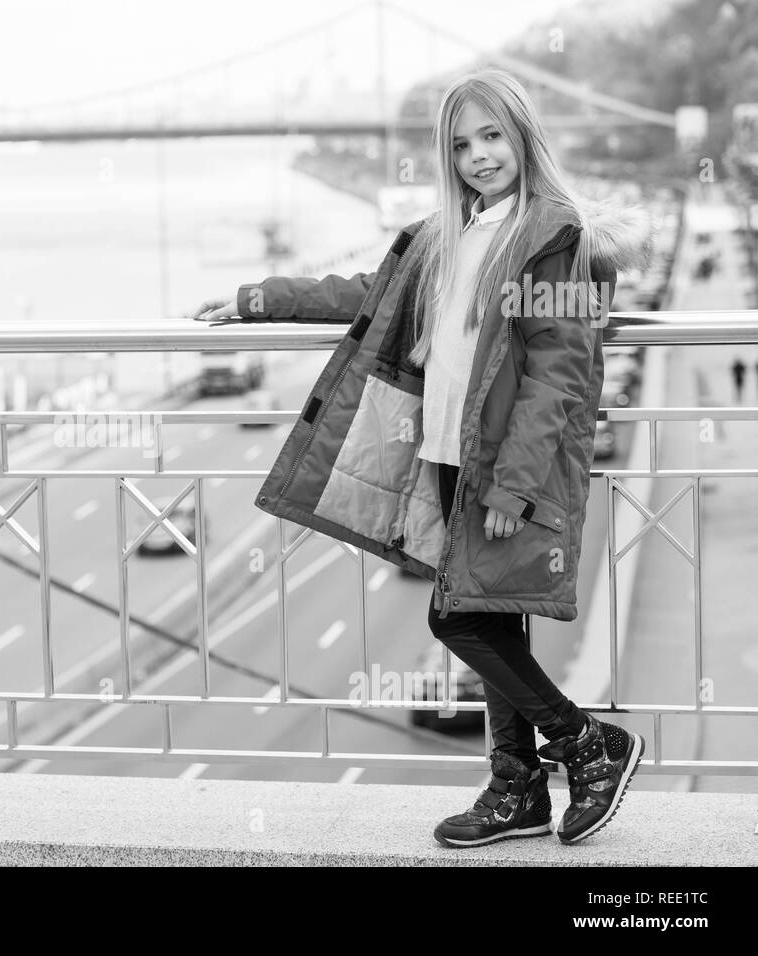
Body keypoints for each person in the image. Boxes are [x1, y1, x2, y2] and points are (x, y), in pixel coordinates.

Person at [192, 68, 654, 846]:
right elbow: (371, 294)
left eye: (492, 136)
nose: (479, 155)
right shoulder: (448, 232)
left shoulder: (556, 238)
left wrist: (512, 487)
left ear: (523, 137)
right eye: (461, 143)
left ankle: (587, 743)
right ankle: (517, 792)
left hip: (503, 469)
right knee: (490, 617)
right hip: (444, 459)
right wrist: (259, 298)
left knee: (456, 618)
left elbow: (558, 377)